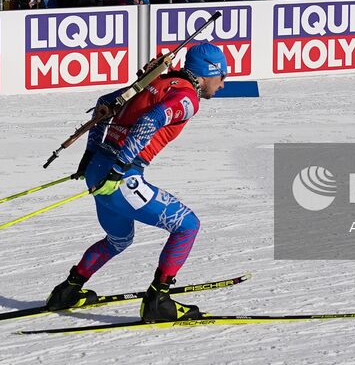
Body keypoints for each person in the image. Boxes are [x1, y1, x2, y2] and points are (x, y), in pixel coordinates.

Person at [45, 42, 229, 322]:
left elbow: (104, 104)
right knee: (187, 226)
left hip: (98, 171)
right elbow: (151, 120)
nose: (223, 84)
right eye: (223, 76)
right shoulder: (187, 97)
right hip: (120, 178)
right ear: (208, 73)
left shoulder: (157, 80)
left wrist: (91, 154)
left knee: (119, 240)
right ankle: (158, 300)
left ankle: (67, 291)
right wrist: (120, 168)